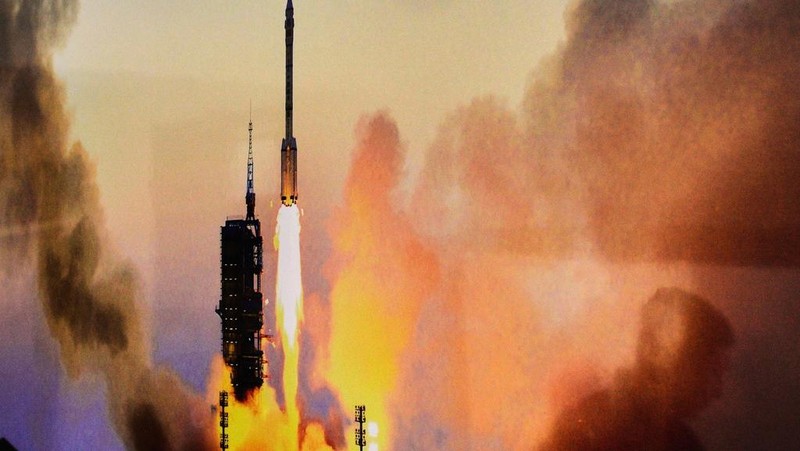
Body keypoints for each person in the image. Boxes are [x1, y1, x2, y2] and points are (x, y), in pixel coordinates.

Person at [542, 287, 734, 451]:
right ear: (679, 364)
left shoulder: (581, 420)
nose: (718, 391)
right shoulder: (678, 442)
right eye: (713, 373)